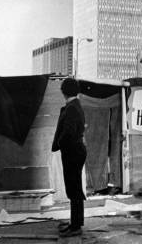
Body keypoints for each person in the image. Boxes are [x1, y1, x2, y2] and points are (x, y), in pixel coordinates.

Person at [52, 78, 86, 238]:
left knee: (74, 189)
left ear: (64, 92)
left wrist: (60, 143)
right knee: (74, 188)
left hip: (72, 151)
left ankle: (76, 226)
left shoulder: (72, 108)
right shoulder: (75, 106)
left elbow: (68, 133)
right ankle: (75, 223)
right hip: (76, 151)